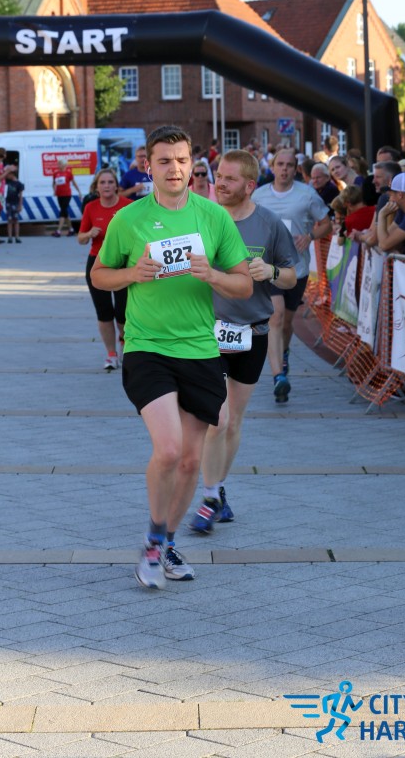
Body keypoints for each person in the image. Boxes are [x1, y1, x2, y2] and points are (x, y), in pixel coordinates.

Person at [91, 125, 251, 589]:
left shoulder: (213, 217)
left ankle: (165, 541)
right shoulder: (129, 219)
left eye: (182, 160)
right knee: (168, 449)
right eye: (164, 161)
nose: (175, 169)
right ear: (149, 167)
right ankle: (153, 541)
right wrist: (132, 273)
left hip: (199, 350)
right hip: (147, 347)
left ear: (192, 164)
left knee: (189, 461)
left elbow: (243, 284)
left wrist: (214, 275)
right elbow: (99, 275)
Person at [188, 150, 297, 533]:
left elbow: (292, 276)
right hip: (207, 332)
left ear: (250, 185)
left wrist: (272, 271)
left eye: (230, 178)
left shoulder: (269, 224)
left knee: (233, 422)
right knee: (216, 419)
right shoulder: (200, 217)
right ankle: (209, 497)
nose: (220, 183)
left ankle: (218, 488)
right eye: (219, 175)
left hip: (252, 332)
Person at [252, 148, 332, 403]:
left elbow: (326, 223)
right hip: (268, 267)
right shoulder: (259, 195)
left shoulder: (306, 194)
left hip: (296, 269)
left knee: (286, 322)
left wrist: (310, 236)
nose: (284, 169)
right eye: (280, 164)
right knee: (274, 317)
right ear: (273, 167)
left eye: (289, 165)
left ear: (295, 169)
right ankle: (278, 377)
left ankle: (284, 353)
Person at [78, 168, 132, 370]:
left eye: (110, 182)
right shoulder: (91, 207)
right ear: (96, 187)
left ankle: (125, 343)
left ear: (116, 186)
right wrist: (89, 233)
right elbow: (80, 238)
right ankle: (111, 354)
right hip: (97, 263)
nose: (107, 186)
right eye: (103, 182)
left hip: (122, 264)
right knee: (104, 312)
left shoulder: (128, 206)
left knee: (123, 312)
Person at [52, 157, 80, 237]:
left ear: (64, 165)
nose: (58, 165)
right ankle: (71, 229)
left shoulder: (68, 173)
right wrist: (54, 190)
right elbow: (54, 183)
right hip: (59, 195)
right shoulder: (56, 174)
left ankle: (58, 231)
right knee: (65, 212)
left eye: (60, 164)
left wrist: (79, 192)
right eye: (58, 164)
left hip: (67, 194)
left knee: (62, 211)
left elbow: (74, 183)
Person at [5, 168, 24, 243]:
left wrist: (20, 205)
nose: (7, 175)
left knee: (16, 220)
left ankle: (17, 237)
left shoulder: (19, 184)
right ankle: (10, 237)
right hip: (8, 203)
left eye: (8, 174)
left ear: (12, 174)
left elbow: (21, 196)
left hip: (15, 203)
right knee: (9, 220)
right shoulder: (7, 182)